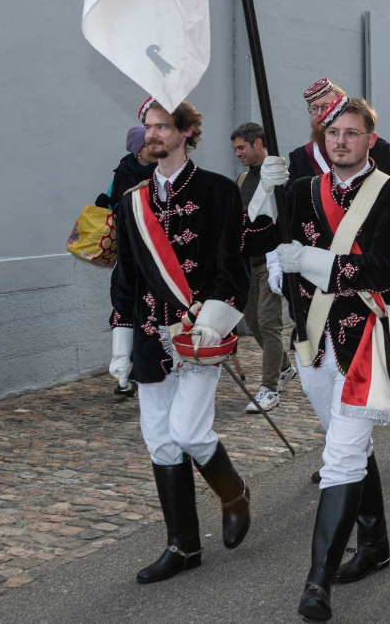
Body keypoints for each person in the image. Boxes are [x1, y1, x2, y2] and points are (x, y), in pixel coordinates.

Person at [246, 97, 390, 622]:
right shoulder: (300, 190)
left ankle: (317, 584)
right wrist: (263, 192)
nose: (340, 141)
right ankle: (374, 544)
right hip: (312, 342)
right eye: (332, 133)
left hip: (365, 340)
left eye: (351, 132)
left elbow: (385, 270)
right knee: (351, 446)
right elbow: (253, 242)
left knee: (341, 456)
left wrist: (309, 260)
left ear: (371, 139)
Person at [109, 98, 256, 583]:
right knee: (160, 439)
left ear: (187, 131)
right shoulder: (132, 200)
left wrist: (214, 320)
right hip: (150, 335)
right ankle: (183, 545)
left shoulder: (218, 191)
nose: (151, 134)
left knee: (189, 431)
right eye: (147, 127)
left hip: (199, 334)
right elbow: (126, 276)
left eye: (161, 126)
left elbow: (233, 267)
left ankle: (234, 494)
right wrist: (121, 344)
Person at [230, 122, 296, 413]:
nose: (237, 154)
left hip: (272, 262)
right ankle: (284, 367)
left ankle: (269, 389)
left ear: (257, 144)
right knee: (253, 323)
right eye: (236, 149)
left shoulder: (280, 179)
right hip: (247, 264)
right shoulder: (243, 178)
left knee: (269, 324)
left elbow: (287, 222)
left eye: (241, 148)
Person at [101, 122, 157, 396]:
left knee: (151, 312)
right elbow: (113, 203)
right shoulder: (122, 172)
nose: (153, 147)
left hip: (156, 253)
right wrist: (106, 203)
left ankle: (142, 369)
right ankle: (127, 370)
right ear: (137, 150)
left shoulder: (164, 173)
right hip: (128, 253)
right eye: (147, 144)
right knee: (124, 305)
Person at [287, 78, 390, 184]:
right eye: (314, 108)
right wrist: (276, 188)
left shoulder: (378, 149)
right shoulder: (300, 157)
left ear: (343, 107)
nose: (320, 113)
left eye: (326, 106)